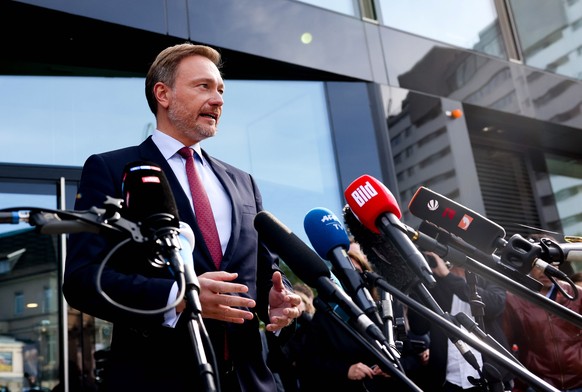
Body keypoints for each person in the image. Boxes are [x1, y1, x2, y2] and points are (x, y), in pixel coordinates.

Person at [62, 42, 302, 392]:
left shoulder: (243, 182)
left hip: (252, 381)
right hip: (157, 380)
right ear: (163, 93)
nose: (218, 100)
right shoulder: (111, 169)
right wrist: (178, 298)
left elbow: (265, 277)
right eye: (203, 86)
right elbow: (83, 280)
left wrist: (278, 304)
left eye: (220, 90)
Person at [407, 252, 513, 392]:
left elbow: (494, 305)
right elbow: (419, 327)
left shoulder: (487, 273)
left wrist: (448, 277)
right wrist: (419, 282)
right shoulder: (435, 281)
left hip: (491, 375)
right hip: (448, 378)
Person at [502, 235, 582, 392]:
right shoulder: (513, 299)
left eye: (553, 262)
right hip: (539, 384)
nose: (547, 269)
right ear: (528, 264)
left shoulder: (577, 294)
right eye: (539, 263)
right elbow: (506, 345)